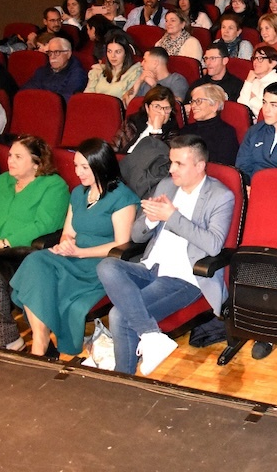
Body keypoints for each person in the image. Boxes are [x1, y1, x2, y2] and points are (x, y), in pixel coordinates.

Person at [96, 135, 233, 375]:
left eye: (179, 164)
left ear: (200, 166)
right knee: (107, 265)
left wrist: (172, 217)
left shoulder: (220, 196)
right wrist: (150, 220)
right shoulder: (166, 186)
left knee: (118, 314)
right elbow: (137, 235)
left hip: (184, 277)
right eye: (171, 162)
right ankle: (151, 336)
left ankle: (122, 377)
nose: (171, 169)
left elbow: (213, 245)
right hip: (151, 266)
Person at [9, 139, 139, 356]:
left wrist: (80, 252)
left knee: (43, 275)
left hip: (100, 263)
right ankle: (41, 340)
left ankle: (41, 346)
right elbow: (68, 231)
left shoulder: (122, 197)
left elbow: (120, 244)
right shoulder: (79, 193)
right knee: (35, 261)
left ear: (101, 165)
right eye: (76, 166)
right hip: (73, 255)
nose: (78, 172)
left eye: (84, 167)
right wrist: (66, 243)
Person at [0, 136, 69, 346]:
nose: (10, 160)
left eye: (18, 157)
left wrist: (1, 243)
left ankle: (5, 340)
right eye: (10, 155)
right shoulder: (2, 182)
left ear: (37, 162)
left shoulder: (54, 186)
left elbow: (44, 226)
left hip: (21, 255)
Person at [113, 86, 180, 199]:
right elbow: (114, 148)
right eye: (157, 107)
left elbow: (155, 161)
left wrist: (156, 131)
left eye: (166, 108)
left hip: (143, 180)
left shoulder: (172, 131)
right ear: (147, 108)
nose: (162, 113)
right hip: (121, 171)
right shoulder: (132, 122)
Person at [180, 84, 239, 166]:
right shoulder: (186, 130)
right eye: (192, 101)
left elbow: (223, 167)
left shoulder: (226, 133)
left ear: (215, 105)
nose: (193, 106)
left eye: (198, 101)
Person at [85, 32, 142, 100]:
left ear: (126, 53)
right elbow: (86, 97)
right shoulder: (98, 71)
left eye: (117, 52)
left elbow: (127, 101)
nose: (112, 56)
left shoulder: (134, 72)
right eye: (109, 51)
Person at [237, 46, 277, 118]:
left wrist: (252, 99)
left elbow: (271, 112)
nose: (255, 62)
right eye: (254, 58)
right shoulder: (253, 80)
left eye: (260, 58)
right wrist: (248, 81)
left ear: (273, 63)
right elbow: (241, 106)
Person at [124, 46, 189, 104]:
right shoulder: (144, 81)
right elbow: (126, 104)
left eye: (145, 60)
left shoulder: (176, 80)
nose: (142, 64)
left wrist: (155, 87)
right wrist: (139, 81)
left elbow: (177, 104)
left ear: (155, 63)